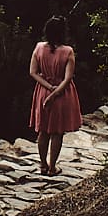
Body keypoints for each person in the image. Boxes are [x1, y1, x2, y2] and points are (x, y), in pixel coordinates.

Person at [29, 14, 82, 175]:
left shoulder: (38, 47)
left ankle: (43, 165)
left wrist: (48, 88)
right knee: (57, 132)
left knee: (43, 131)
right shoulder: (68, 51)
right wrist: (55, 93)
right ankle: (52, 167)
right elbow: (67, 79)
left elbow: (33, 72)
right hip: (61, 94)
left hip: (43, 92)